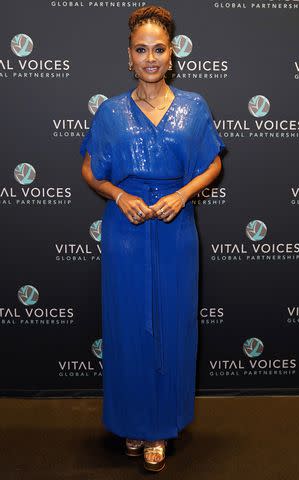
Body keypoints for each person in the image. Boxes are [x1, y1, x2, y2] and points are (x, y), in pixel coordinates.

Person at [80, 5, 225, 473]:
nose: (149, 58)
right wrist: (119, 195)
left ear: (172, 54)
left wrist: (182, 196)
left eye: (158, 49)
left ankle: (160, 429)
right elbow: (90, 168)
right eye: (141, 49)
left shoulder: (194, 107)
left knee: (171, 328)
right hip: (126, 235)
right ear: (129, 56)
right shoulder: (110, 112)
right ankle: (131, 423)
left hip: (175, 232)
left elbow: (212, 164)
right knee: (127, 331)